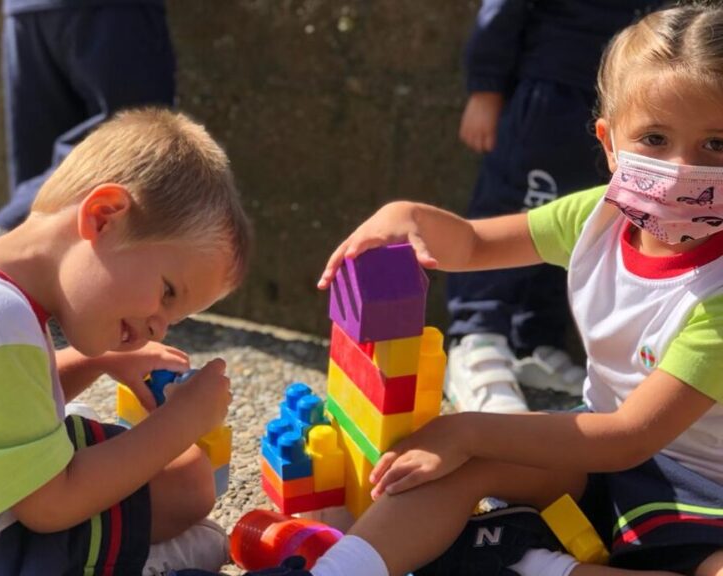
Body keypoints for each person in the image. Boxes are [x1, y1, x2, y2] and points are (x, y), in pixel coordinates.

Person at [204, 4, 723, 576]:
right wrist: (409, 215)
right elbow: (474, 246)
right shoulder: (597, 218)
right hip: (590, 457)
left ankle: (535, 563)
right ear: (608, 143)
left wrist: (466, 427)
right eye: (654, 138)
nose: (680, 171)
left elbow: (630, 436)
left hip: (700, 494)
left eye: (715, 145)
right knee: (454, 468)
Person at [0, 108, 252, 575]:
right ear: (104, 216)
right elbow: (50, 505)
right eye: (167, 293)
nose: (159, 326)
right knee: (200, 525)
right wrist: (182, 420)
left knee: (188, 482)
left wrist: (97, 361)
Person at [446, 0, 662, 414]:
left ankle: (534, 341)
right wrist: (486, 88)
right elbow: (503, 12)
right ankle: (477, 338)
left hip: (624, 104)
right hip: (550, 94)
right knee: (517, 212)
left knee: (580, 229)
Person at [0, 0, 176, 241]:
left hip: (25, 11)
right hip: (113, 12)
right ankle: (10, 228)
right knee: (134, 139)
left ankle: (14, 233)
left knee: (44, 194)